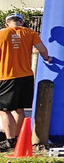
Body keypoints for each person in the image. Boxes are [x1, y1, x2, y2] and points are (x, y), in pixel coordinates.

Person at [0, 12, 52, 150]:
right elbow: (42, 50)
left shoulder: (2, 33)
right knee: (19, 109)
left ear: (7, 23)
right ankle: (18, 139)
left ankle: (9, 140)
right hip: (26, 76)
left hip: (7, 75)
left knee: (4, 110)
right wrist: (47, 58)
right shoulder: (30, 33)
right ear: (22, 22)